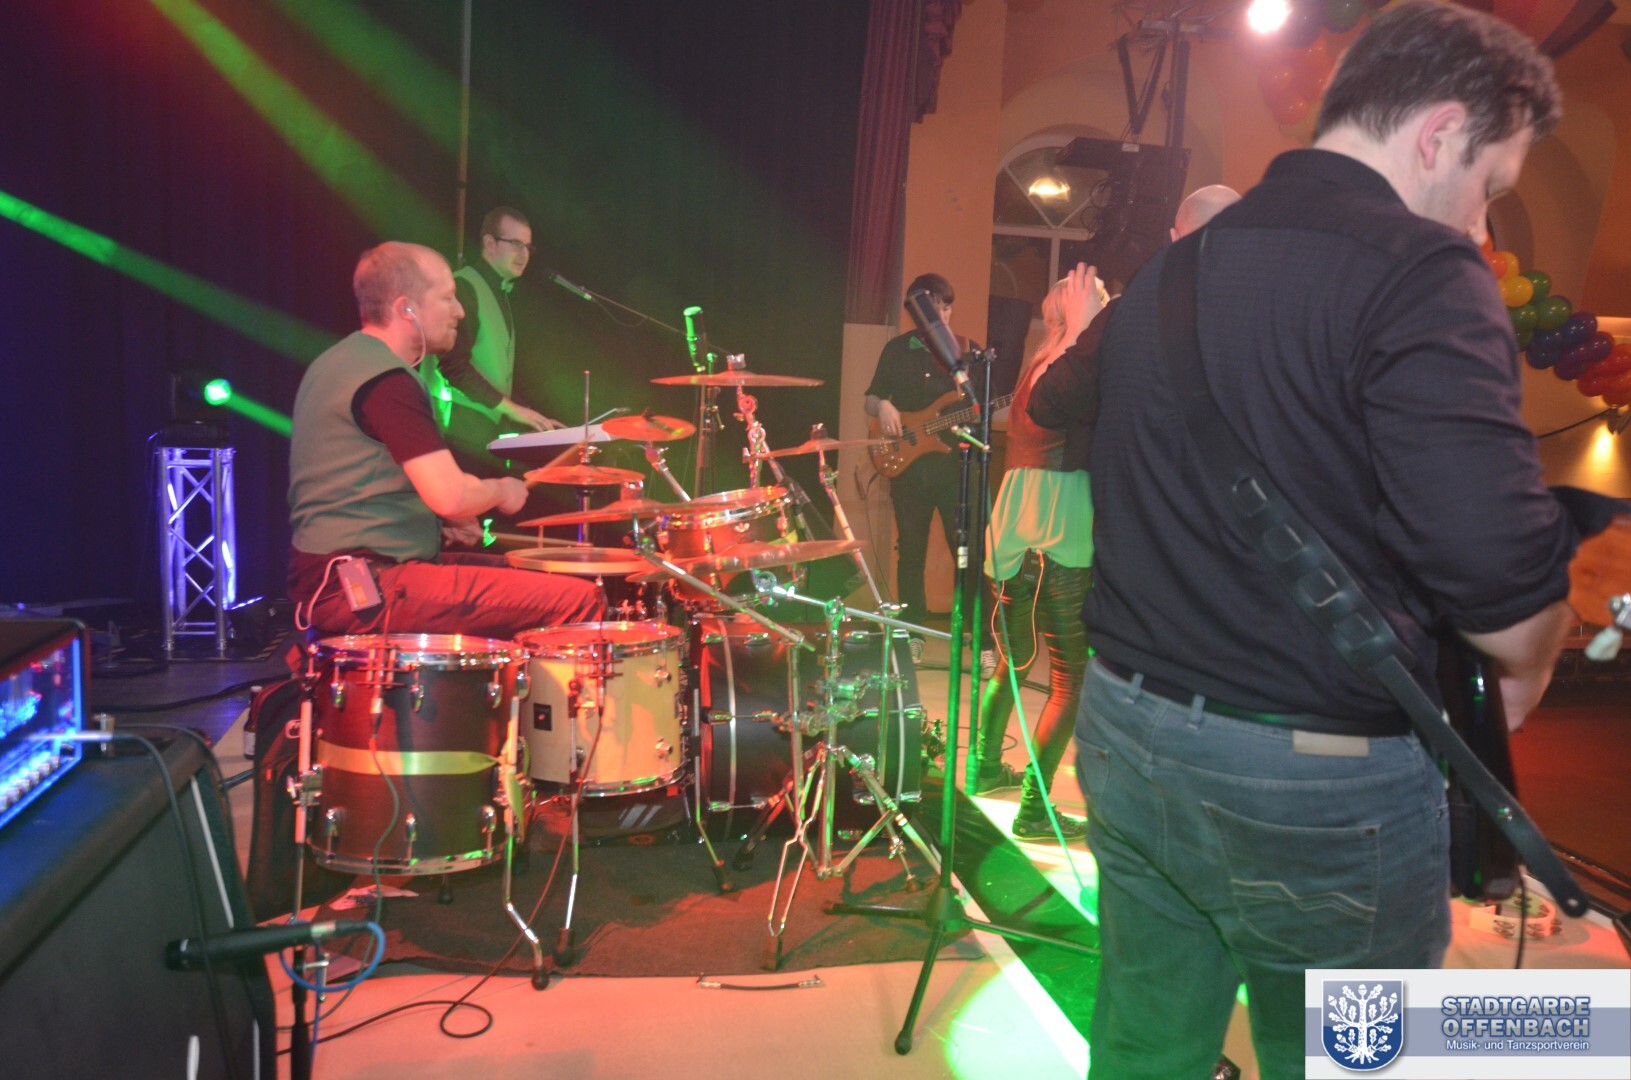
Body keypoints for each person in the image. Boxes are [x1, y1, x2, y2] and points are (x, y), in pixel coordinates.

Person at [1064, 5, 1576, 1077]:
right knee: (1351, 1059)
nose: (1481, 227)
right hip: (1310, 786)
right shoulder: (1422, 271)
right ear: (1438, 135)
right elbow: (1499, 592)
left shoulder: (1170, 269)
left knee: (1143, 1046)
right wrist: (1534, 651)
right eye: (1489, 187)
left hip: (1125, 731)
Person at [975, 187, 1243, 826]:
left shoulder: (1038, 361)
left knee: (1011, 660)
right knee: (1070, 677)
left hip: (1013, 519)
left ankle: (984, 765)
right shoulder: (1078, 364)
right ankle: (1035, 807)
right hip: (1061, 521)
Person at [288, 241, 603, 638]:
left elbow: (358, 484)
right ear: (407, 309)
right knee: (578, 599)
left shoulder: (341, 360)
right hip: (362, 586)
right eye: (448, 298)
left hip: (340, 575)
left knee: (531, 574)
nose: (460, 311)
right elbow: (451, 495)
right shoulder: (388, 381)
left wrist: (438, 523)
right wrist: (502, 490)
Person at [865, 273, 981, 649]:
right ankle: (912, 631)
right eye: (935, 309)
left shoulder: (967, 351)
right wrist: (883, 406)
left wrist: (973, 400)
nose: (942, 316)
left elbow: (982, 408)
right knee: (910, 552)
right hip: (910, 467)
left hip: (956, 468)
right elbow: (871, 397)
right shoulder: (897, 350)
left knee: (968, 552)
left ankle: (977, 634)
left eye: (947, 308)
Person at [423, 206, 561, 475]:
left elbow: (492, 371)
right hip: (456, 428)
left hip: (479, 430)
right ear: (489, 243)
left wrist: (533, 417)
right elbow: (453, 368)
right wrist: (515, 411)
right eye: (516, 244)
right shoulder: (463, 287)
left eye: (528, 247)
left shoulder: (497, 290)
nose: (524, 254)